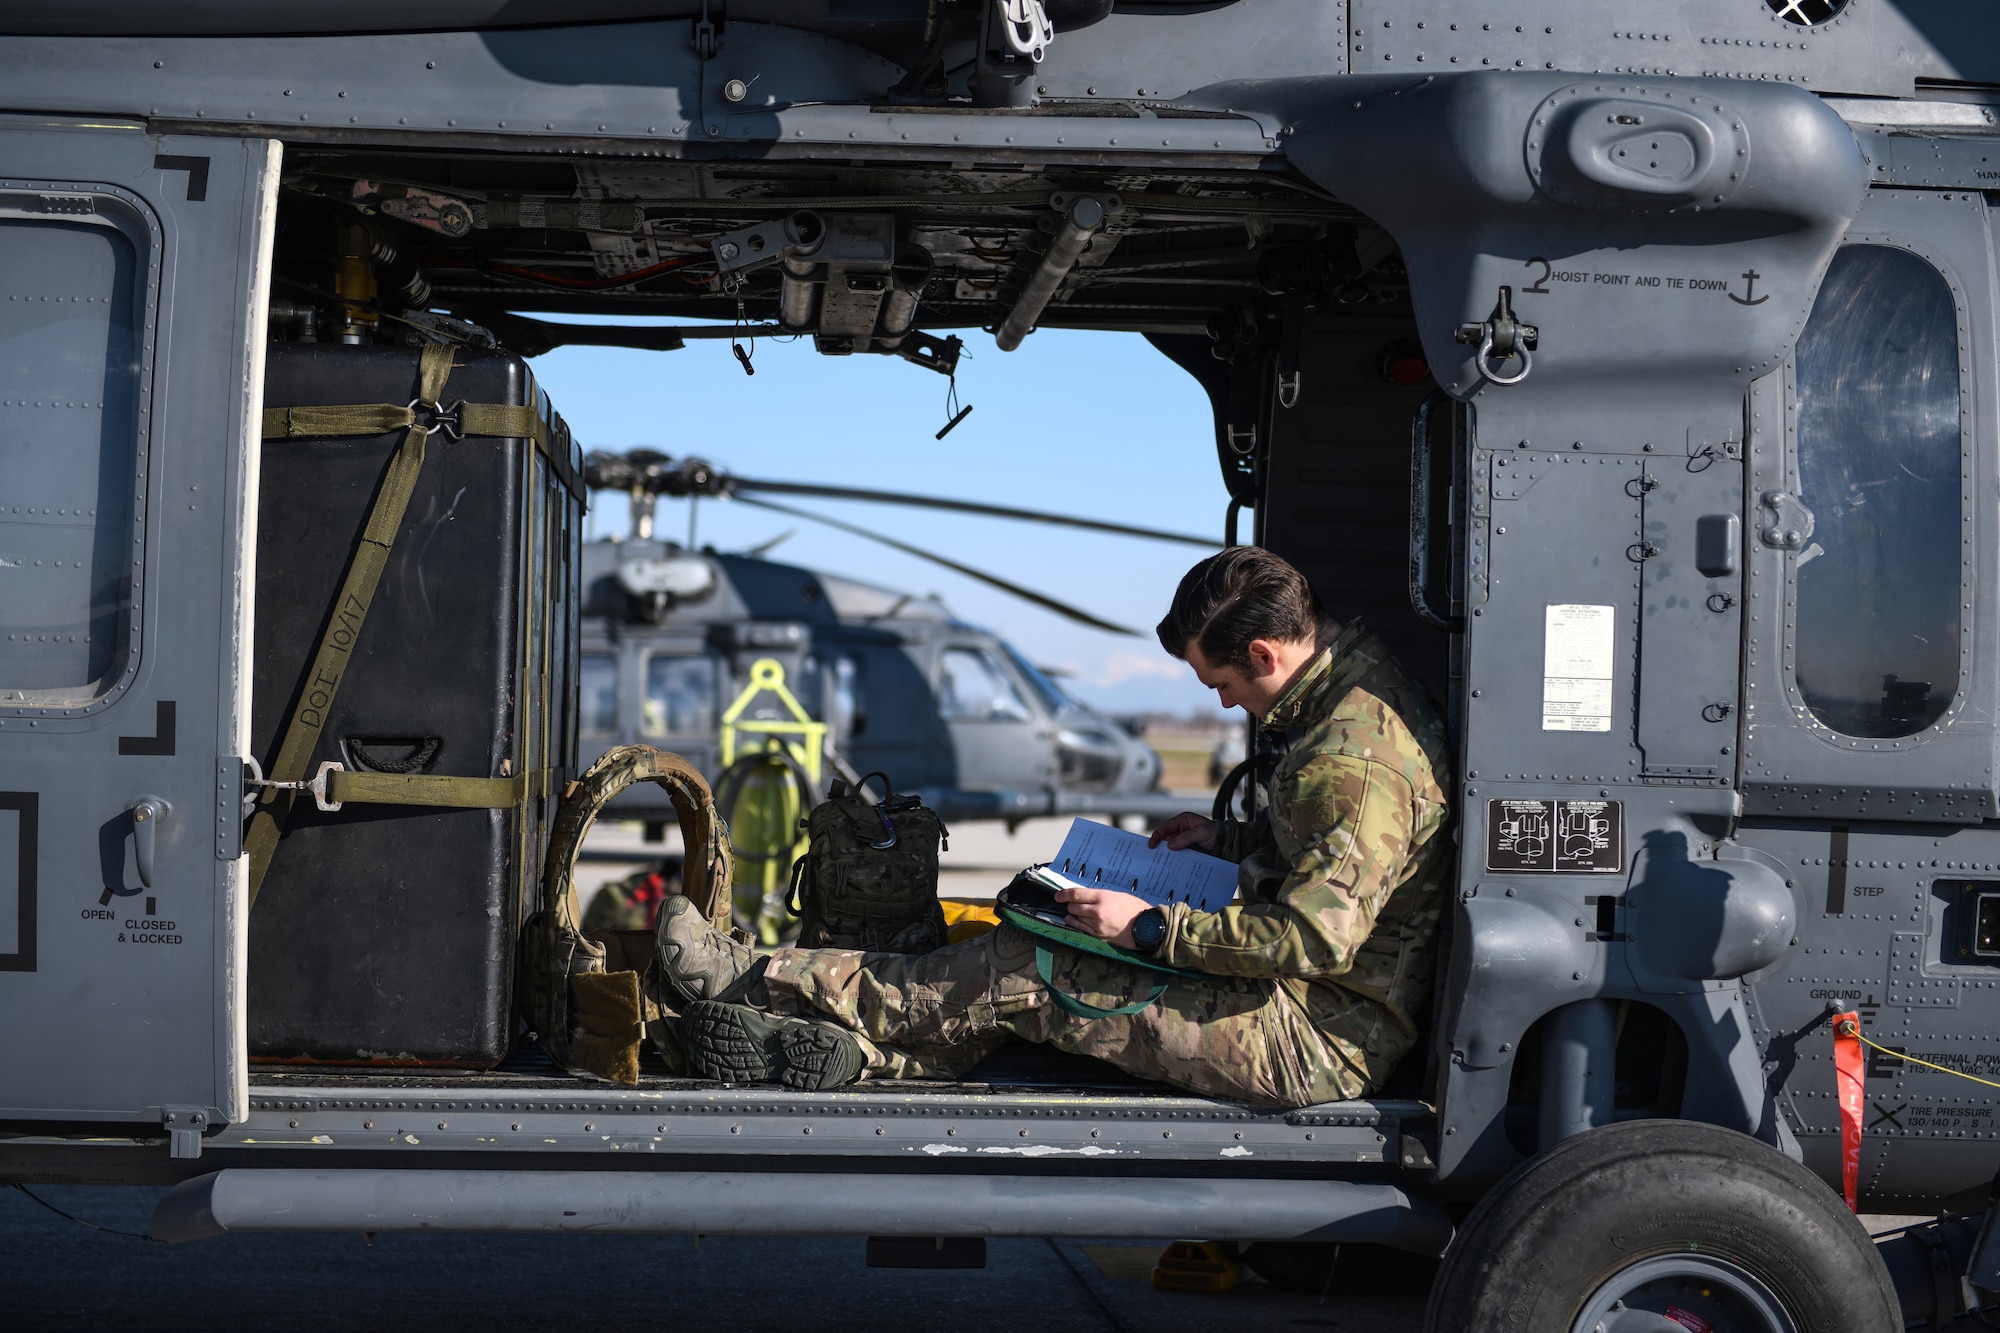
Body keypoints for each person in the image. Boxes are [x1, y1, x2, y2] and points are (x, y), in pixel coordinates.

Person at [653, 547, 1453, 1108]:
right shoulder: (1359, 695)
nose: (1221, 703)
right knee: (1037, 938)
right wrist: (1230, 844)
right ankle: (868, 1051)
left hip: (1314, 1036)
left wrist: (1148, 927)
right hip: (1312, 1002)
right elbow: (1348, 860)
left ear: (1263, 651)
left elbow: (1318, 939)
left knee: (1036, 966)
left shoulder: (1348, 760)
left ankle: (757, 980)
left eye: (1223, 681)